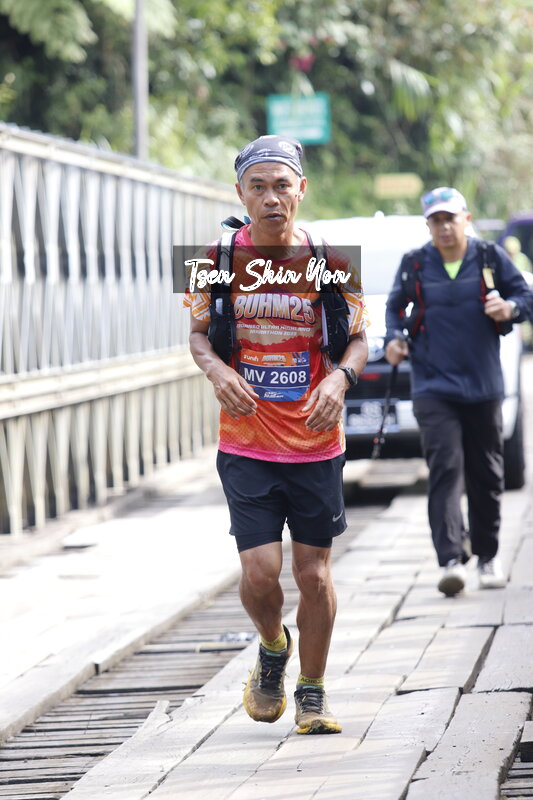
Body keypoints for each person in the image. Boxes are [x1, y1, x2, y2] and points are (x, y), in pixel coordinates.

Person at [184, 135, 368, 734]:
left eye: (282, 186)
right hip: (245, 440)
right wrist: (217, 371)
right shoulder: (211, 258)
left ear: (301, 190)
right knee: (261, 572)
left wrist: (340, 379)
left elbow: (360, 339)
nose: (271, 198)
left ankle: (312, 693)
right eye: (257, 187)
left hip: (316, 441)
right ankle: (271, 646)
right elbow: (197, 335)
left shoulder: (331, 260)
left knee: (314, 575)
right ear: (240, 193)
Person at [385, 186, 532, 597]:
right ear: (428, 225)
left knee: (486, 473)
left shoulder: (488, 257)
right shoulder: (415, 263)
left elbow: (525, 295)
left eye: (450, 218)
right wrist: (395, 338)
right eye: (436, 220)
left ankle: (487, 555)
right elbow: (394, 308)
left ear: (465, 218)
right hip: (433, 385)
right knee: (445, 468)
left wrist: (510, 309)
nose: (444, 227)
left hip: (483, 385)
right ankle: (450, 559)